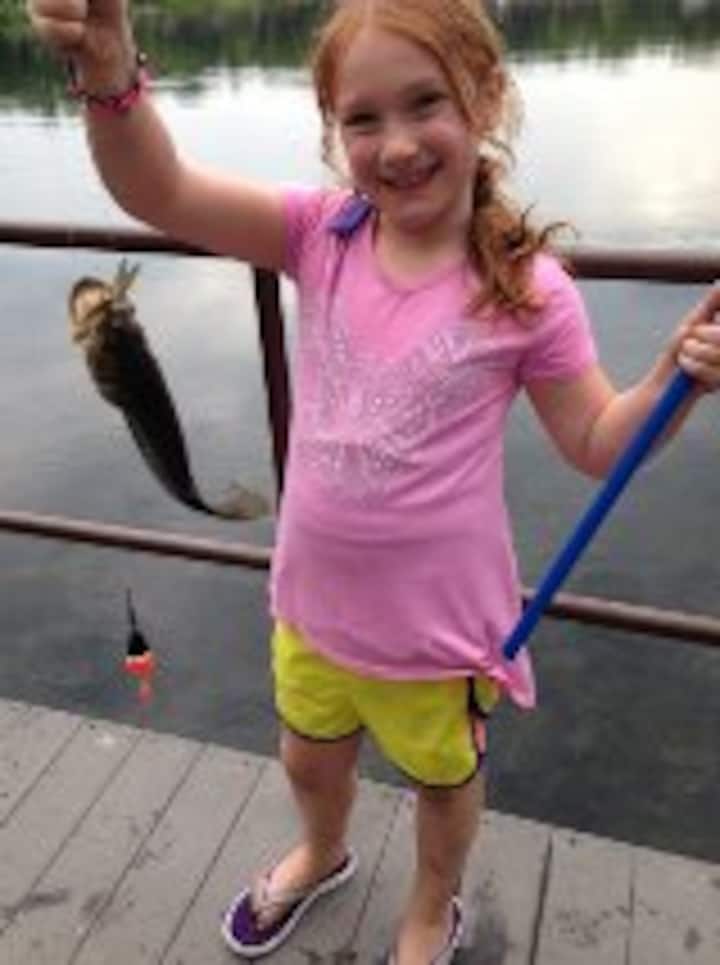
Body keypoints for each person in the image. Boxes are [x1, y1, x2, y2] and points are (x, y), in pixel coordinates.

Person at [28, 1, 720, 962]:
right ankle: (322, 850)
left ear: (485, 99)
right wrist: (110, 77)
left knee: (443, 783)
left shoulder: (527, 290)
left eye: (425, 103)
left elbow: (600, 442)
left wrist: (673, 379)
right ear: (333, 132)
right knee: (308, 758)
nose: (396, 145)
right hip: (312, 607)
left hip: (439, 636)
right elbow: (161, 190)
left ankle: (432, 906)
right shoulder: (323, 234)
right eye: (362, 119)